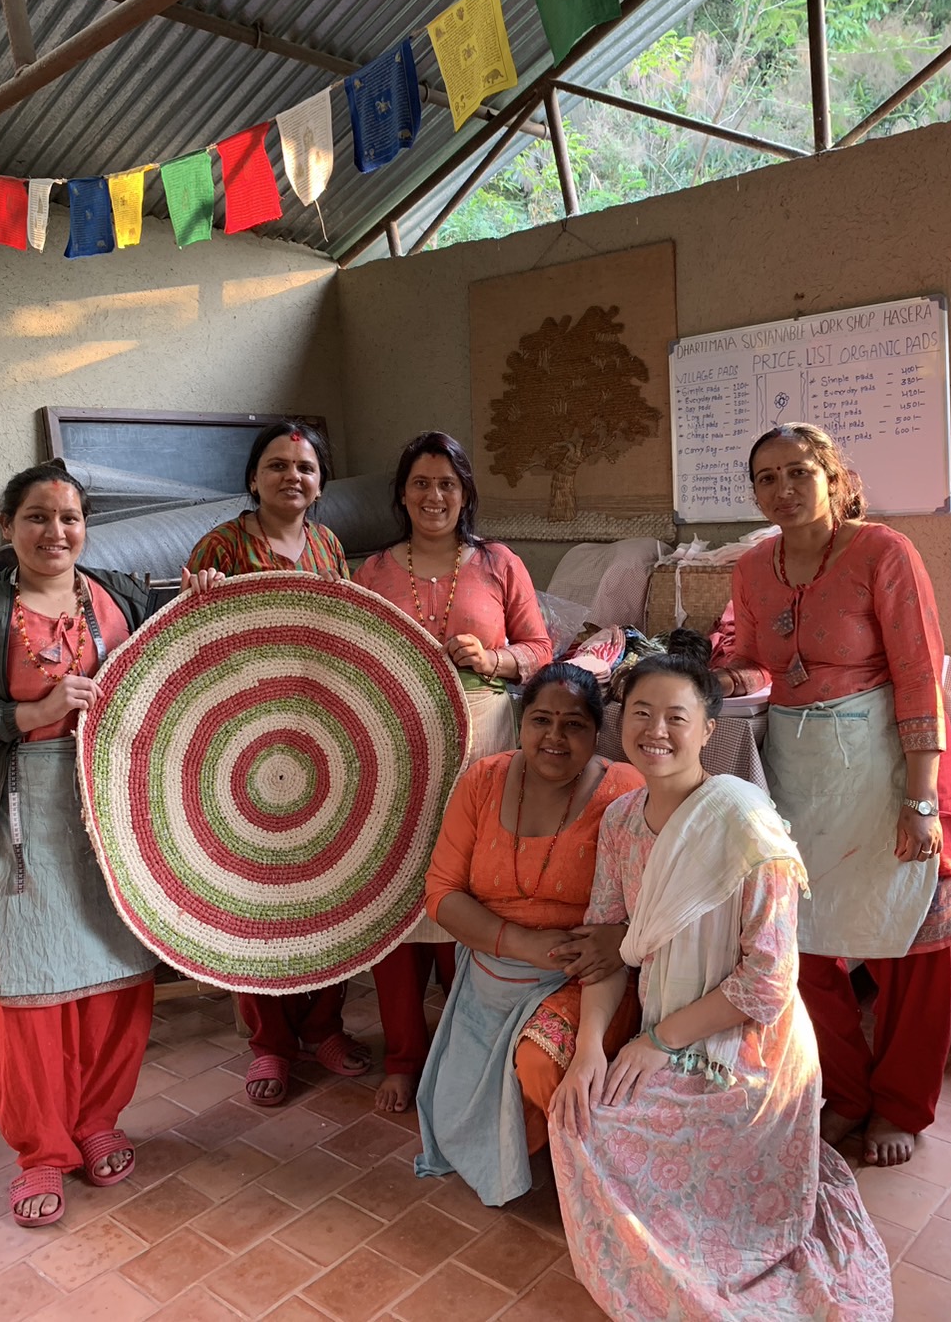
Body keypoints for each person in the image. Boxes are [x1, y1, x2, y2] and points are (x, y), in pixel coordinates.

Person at [550, 651, 893, 1322]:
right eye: (641, 713)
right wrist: (590, 1045)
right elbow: (608, 946)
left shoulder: (743, 820)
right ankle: (665, 1253)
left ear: (710, 728)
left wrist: (656, 1041)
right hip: (666, 1027)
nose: (656, 730)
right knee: (582, 1116)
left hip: (748, 1050)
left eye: (677, 716)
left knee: (626, 1129)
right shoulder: (621, 822)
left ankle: (699, 1261)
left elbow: (768, 980)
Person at [0, 463, 214, 1229]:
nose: (55, 532)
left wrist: (200, 600)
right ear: (6, 526)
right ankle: (40, 1152)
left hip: (113, 808)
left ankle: (98, 1120)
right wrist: (27, 715)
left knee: (114, 971)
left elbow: (173, 655)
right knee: (25, 980)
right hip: (17, 813)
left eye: (69, 518)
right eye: (36, 516)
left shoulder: (120, 595)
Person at [723, 422, 951, 1166]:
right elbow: (748, 661)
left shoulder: (883, 553)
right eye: (766, 477)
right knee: (804, 936)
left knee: (912, 933)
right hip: (800, 769)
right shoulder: (751, 565)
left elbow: (918, 674)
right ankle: (846, 1091)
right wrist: (720, 680)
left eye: (798, 472)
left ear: (834, 477)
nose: (783, 489)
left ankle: (900, 1103)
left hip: (892, 763)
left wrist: (922, 797)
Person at [353, 432, 553, 1113]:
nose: (433, 496)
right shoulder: (372, 570)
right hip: (399, 748)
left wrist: (493, 659)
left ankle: (469, 1051)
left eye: (447, 483)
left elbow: (541, 648)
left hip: (484, 745)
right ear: (402, 493)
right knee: (398, 898)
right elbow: (353, 660)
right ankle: (405, 1055)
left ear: (466, 492)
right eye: (420, 483)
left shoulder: (500, 563)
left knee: (478, 889)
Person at [186, 421, 370, 1104]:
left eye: (306, 467)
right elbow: (190, 641)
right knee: (254, 895)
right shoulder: (223, 546)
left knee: (328, 882)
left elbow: (350, 630)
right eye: (277, 465)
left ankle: (324, 1024)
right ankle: (270, 1041)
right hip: (242, 738)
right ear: (253, 477)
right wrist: (199, 593)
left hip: (319, 732)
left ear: (320, 482)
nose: (293, 476)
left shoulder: (327, 544)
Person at [412, 663, 643, 1205]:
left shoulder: (625, 791)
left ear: (596, 732)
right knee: (460, 1113)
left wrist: (623, 938)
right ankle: (542, 1146)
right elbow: (442, 893)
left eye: (574, 725)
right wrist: (523, 944)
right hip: (491, 975)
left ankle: (595, 1185)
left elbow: (659, 901)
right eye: (541, 720)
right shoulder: (483, 780)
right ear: (520, 723)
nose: (555, 739)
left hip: (584, 979)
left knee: (542, 1066)